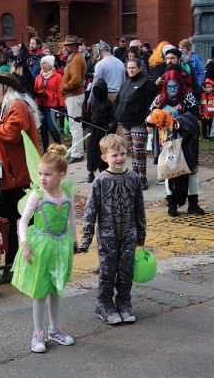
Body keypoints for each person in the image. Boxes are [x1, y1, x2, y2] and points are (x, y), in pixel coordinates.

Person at [12, 142, 77, 353]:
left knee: (56, 290)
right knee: (40, 292)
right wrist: (24, 243)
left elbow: (72, 218)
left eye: (47, 174)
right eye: (40, 173)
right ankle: (38, 333)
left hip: (60, 246)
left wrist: (74, 240)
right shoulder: (38, 195)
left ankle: (55, 330)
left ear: (61, 175)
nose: (42, 178)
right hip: (40, 247)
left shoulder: (67, 194)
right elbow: (23, 221)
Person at [0, 72, 41, 282]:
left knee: (19, 225)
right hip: (12, 179)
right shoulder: (8, 106)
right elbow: (4, 133)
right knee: (9, 223)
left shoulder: (16, 105)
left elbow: (12, 132)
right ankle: (14, 265)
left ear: (6, 88)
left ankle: (20, 266)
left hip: (20, 179)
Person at [79, 134, 146, 325]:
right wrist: (86, 238)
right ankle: (104, 304)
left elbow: (139, 208)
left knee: (126, 271)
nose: (120, 158)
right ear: (104, 158)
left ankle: (124, 302)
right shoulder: (100, 181)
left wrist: (141, 234)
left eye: (123, 154)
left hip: (129, 233)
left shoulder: (133, 178)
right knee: (108, 272)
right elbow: (90, 211)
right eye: (115, 154)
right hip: (107, 235)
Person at [147, 69, 205, 217]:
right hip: (167, 141)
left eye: (175, 86)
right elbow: (149, 116)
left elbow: (195, 116)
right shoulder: (160, 98)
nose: (172, 90)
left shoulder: (188, 97)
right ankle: (171, 204)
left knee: (191, 170)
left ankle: (193, 203)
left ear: (180, 85)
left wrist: (178, 121)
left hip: (187, 141)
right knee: (169, 170)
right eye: (169, 87)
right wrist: (151, 119)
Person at [115, 58, 157, 190]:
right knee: (132, 150)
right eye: (128, 68)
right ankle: (134, 176)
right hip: (125, 122)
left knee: (138, 150)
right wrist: (117, 115)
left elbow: (151, 103)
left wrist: (149, 121)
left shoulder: (146, 83)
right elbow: (118, 100)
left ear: (140, 68)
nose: (131, 70)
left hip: (139, 122)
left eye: (133, 68)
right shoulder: (125, 83)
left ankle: (142, 177)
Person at [61, 35, 87, 164]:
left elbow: (76, 80)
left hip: (74, 95)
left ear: (75, 46)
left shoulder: (76, 59)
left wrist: (63, 88)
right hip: (73, 95)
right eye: (66, 45)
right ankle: (77, 152)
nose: (66, 47)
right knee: (75, 125)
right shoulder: (75, 58)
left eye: (68, 45)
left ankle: (77, 154)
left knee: (75, 126)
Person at [86, 78, 117, 183]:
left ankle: (103, 171)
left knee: (102, 150)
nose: (98, 92)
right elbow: (89, 116)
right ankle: (91, 171)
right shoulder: (93, 102)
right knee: (91, 151)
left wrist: (110, 129)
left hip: (103, 130)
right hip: (93, 129)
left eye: (100, 90)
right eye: (96, 89)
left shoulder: (108, 104)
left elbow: (114, 119)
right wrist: (82, 118)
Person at [34, 55, 63, 152]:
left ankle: (59, 147)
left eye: (44, 63)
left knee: (52, 127)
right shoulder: (39, 76)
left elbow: (60, 92)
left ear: (50, 64)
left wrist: (62, 105)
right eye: (41, 63)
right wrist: (38, 95)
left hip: (51, 105)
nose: (42, 65)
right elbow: (35, 89)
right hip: (40, 105)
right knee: (43, 129)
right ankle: (45, 149)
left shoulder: (58, 77)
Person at [88, 41, 125, 106]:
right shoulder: (120, 62)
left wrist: (91, 99)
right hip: (119, 96)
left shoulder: (100, 64)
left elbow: (96, 83)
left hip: (106, 97)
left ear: (100, 50)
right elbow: (123, 81)